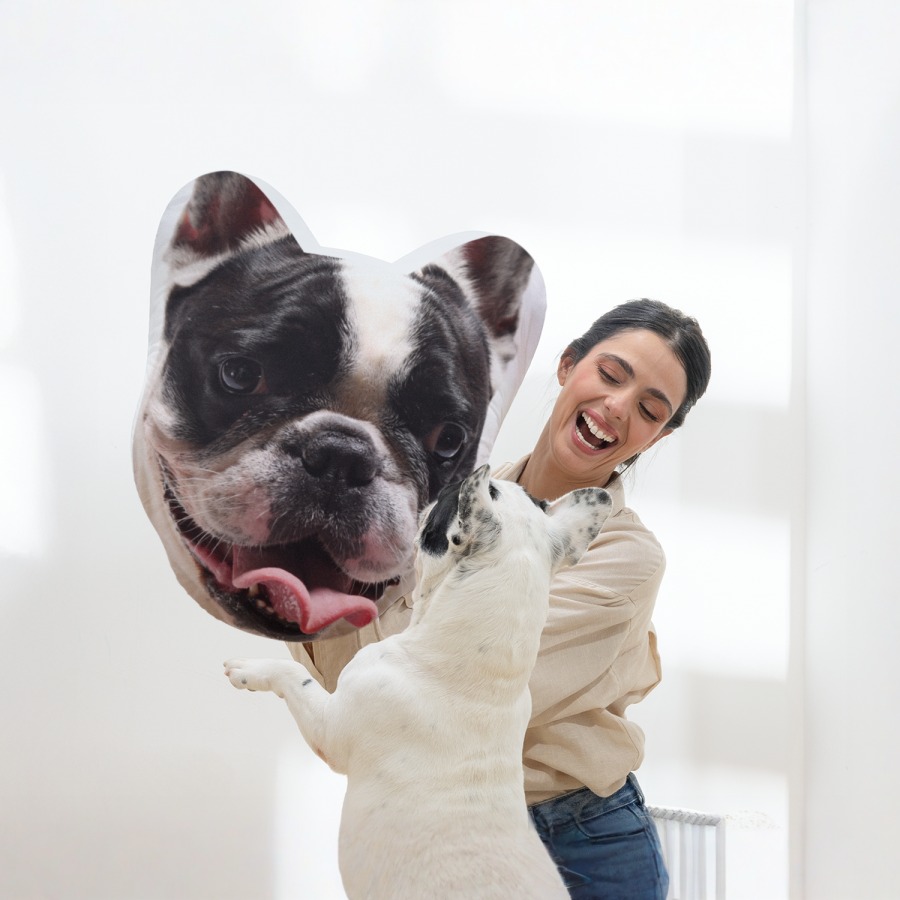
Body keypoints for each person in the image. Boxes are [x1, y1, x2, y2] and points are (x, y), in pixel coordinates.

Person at [290, 298, 712, 900]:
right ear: (569, 365)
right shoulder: (449, 502)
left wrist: (350, 576)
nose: (617, 408)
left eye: (649, 409)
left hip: (580, 845)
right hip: (445, 827)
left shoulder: (625, 559)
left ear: (660, 434)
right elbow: (355, 680)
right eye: (611, 375)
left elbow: (436, 694)